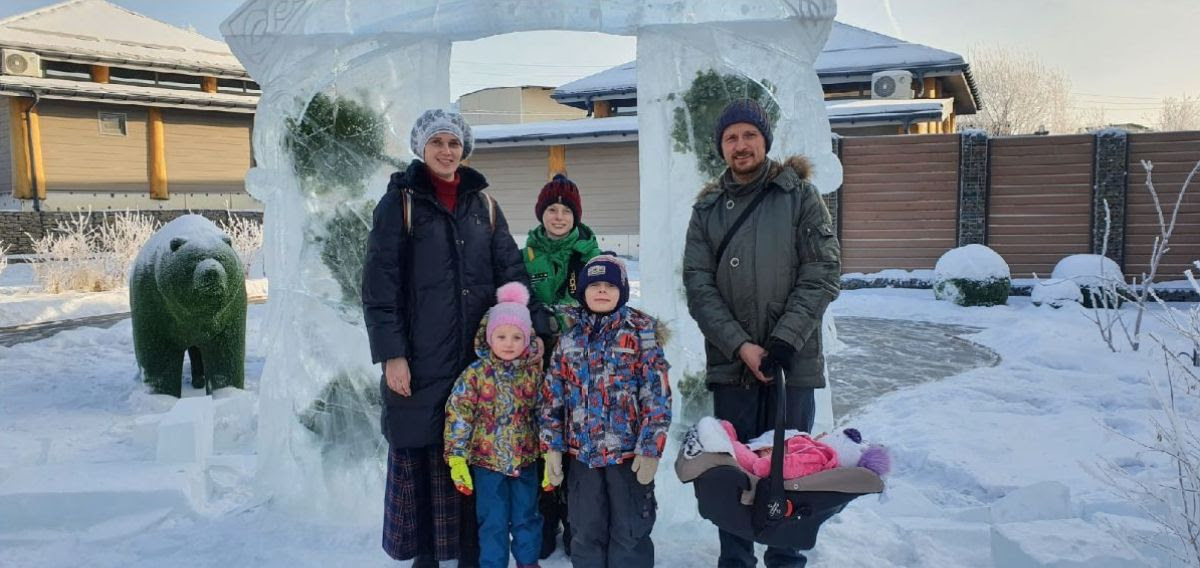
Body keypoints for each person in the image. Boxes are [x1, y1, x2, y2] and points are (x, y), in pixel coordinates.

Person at [362, 108, 548, 568]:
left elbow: (511, 270)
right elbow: (379, 287)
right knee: (425, 450)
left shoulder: (483, 205)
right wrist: (392, 356)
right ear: (421, 148)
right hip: (420, 358)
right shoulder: (400, 203)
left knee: (477, 451)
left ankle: (470, 553)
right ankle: (426, 552)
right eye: (437, 143)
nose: (446, 151)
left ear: (464, 149)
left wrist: (535, 324)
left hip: (477, 355)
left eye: (454, 143)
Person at [682, 99, 841, 568]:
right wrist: (742, 346)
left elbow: (824, 269)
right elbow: (699, 286)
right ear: (722, 148)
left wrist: (784, 342)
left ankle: (786, 559)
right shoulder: (707, 211)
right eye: (731, 138)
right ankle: (736, 561)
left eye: (749, 135)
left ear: (764, 140)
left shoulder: (799, 196)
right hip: (734, 368)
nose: (740, 145)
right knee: (732, 475)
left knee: (790, 470)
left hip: (792, 363)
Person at [539, 254, 672, 568]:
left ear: (622, 291)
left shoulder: (641, 333)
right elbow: (552, 396)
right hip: (582, 458)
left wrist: (651, 448)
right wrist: (552, 448)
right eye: (594, 284)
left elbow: (657, 395)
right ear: (583, 291)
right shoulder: (569, 338)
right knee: (585, 531)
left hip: (627, 457)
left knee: (630, 531)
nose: (601, 291)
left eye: (609, 285)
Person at [520, 173, 601, 558]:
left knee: (573, 444)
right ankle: (544, 519)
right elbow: (515, 300)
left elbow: (601, 306)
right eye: (551, 209)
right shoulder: (527, 254)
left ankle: (575, 523)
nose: (557, 216)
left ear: (575, 215)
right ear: (541, 214)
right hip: (535, 365)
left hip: (578, 368)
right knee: (541, 443)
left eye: (565, 210)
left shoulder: (590, 255)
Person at [444, 282, 545, 568]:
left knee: (527, 517)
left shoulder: (532, 374)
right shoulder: (475, 375)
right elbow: (459, 414)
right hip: (487, 464)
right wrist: (456, 457)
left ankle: (528, 562)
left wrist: (552, 454)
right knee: (492, 521)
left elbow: (546, 412)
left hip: (525, 461)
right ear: (488, 337)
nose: (509, 343)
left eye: (516, 336)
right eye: (501, 335)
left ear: (527, 339)